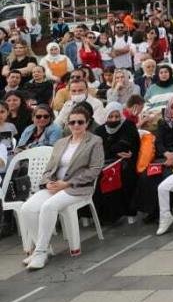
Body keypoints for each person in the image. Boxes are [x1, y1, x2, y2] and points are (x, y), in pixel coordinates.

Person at [19, 105, 103, 269]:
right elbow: (49, 169)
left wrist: (68, 183)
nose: (76, 125)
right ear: (67, 124)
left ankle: (40, 252)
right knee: (27, 209)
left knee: (48, 206)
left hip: (77, 187)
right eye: (72, 122)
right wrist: (47, 182)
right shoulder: (61, 142)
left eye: (80, 122)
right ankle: (44, 249)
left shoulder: (94, 141)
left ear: (87, 123)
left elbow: (94, 170)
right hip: (55, 185)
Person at [92, 103, 139, 225]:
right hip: (104, 161)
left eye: (117, 116)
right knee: (98, 176)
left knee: (122, 174)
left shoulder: (128, 125)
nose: (113, 120)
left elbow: (128, 145)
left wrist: (111, 150)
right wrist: (113, 151)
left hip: (126, 161)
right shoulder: (100, 130)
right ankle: (104, 215)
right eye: (110, 116)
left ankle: (121, 212)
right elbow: (97, 149)